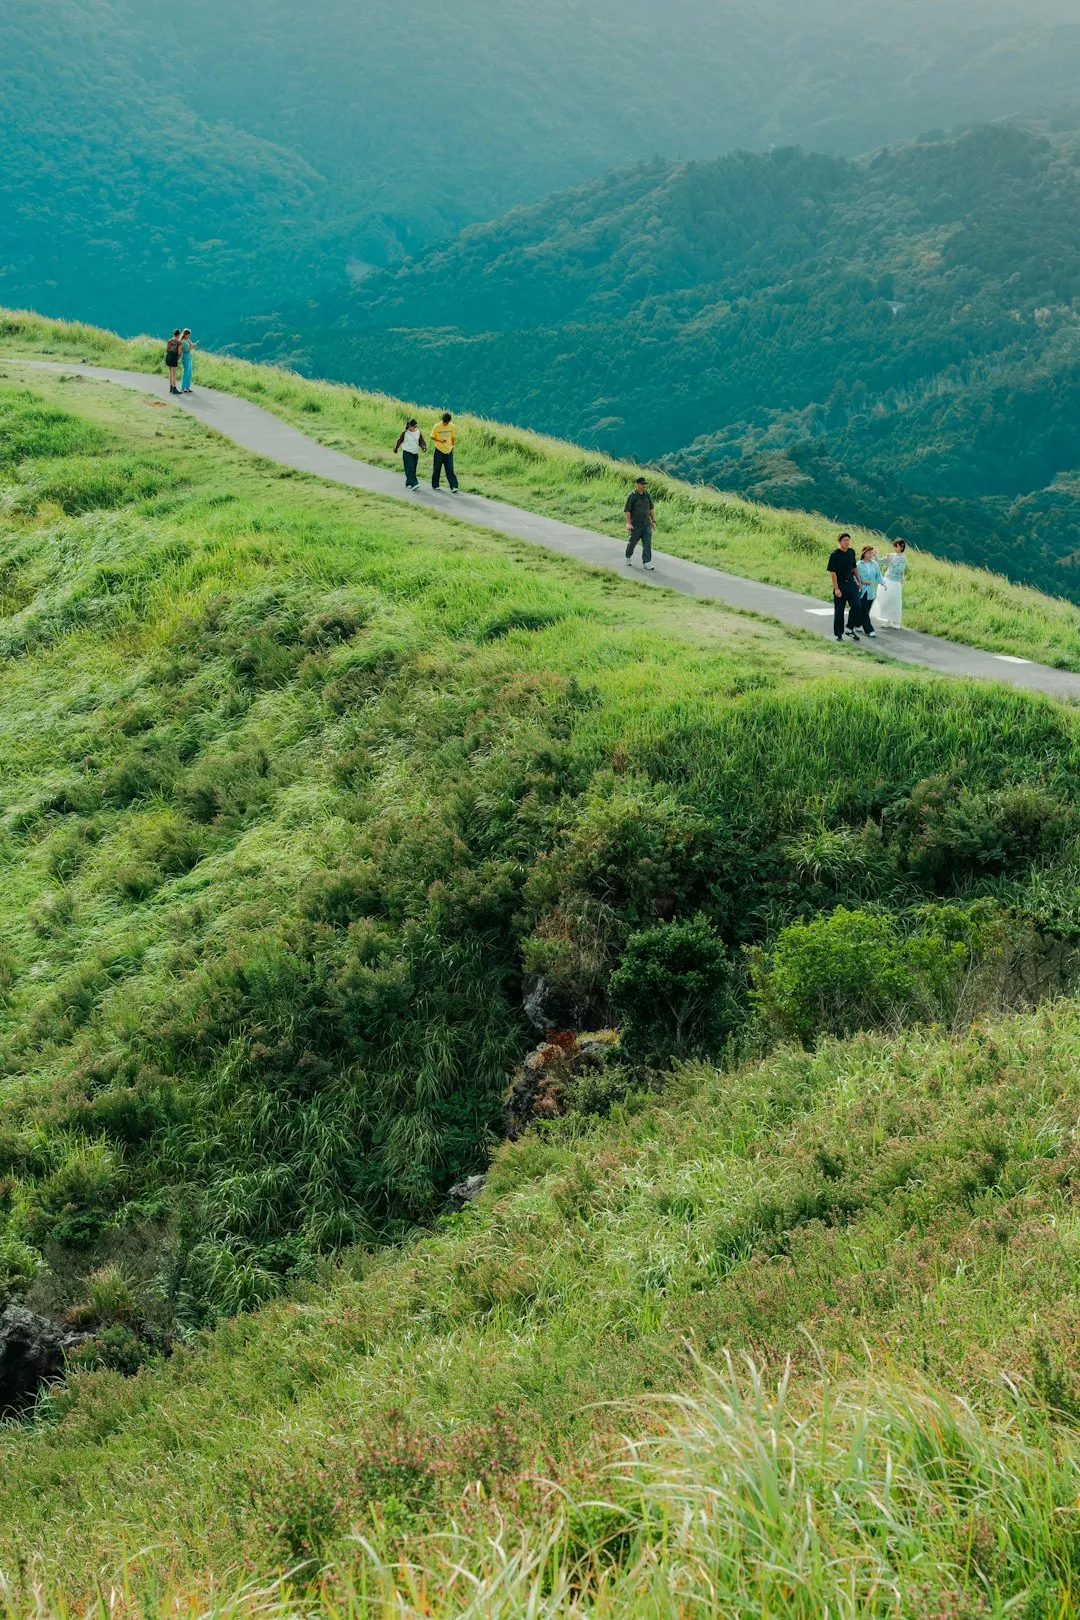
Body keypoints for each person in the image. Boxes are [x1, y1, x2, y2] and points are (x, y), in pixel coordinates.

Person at [826, 532, 862, 642]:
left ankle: (849, 628)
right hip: (840, 584)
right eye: (844, 540)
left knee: (857, 605)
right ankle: (839, 634)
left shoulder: (851, 552)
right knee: (839, 610)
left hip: (851, 583)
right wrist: (836, 588)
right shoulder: (835, 554)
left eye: (848, 540)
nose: (847, 542)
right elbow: (833, 572)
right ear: (840, 542)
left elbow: (854, 567)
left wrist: (859, 581)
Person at [872, 539, 909, 628]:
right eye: (894, 546)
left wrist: (891, 562)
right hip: (887, 580)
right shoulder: (891, 555)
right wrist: (876, 554)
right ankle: (888, 620)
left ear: (901, 547)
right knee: (886, 600)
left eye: (897, 546)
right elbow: (879, 562)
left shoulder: (903, 558)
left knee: (895, 601)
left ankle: (896, 622)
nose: (895, 548)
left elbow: (899, 570)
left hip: (895, 582)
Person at [624, 476, 656, 570]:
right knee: (632, 543)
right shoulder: (632, 496)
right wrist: (628, 523)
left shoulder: (647, 495)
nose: (644, 486)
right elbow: (628, 511)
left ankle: (647, 562)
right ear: (637, 484)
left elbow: (651, 508)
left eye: (645, 484)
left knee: (647, 543)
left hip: (646, 524)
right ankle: (628, 556)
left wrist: (653, 521)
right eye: (642, 484)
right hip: (635, 525)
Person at [854, 546, 884, 638]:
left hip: (871, 591)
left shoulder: (874, 564)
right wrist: (863, 582)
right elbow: (854, 577)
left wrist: (884, 584)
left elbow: (878, 576)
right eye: (869, 553)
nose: (870, 555)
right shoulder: (859, 565)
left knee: (866, 610)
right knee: (864, 610)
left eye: (871, 553)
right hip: (862, 590)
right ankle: (869, 630)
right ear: (864, 553)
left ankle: (857, 624)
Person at [431, 412, 459, 492]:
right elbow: (432, 436)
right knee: (437, 468)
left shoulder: (452, 426)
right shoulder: (437, 426)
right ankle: (435, 485)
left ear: (449, 421)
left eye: (447, 422)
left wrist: (452, 446)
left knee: (450, 469)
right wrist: (440, 440)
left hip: (449, 450)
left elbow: (453, 437)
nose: (445, 423)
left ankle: (454, 486)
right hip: (439, 450)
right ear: (442, 420)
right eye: (444, 422)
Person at [394, 419, 426, 489]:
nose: (412, 428)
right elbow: (399, 441)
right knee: (409, 468)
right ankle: (414, 484)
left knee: (413, 469)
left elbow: (421, 441)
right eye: (411, 426)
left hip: (415, 453)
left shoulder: (418, 431)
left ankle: (408, 482)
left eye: (413, 426)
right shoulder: (404, 433)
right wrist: (395, 448)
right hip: (407, 452)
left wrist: (423, 447)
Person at [179, 329, 197, 394]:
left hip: (189, 358)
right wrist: (192, 347)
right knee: (186, 373)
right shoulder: (183, 341)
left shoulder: (187, 340)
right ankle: (183, 387)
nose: (189, 336)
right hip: (185, 358)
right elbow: (186, 350)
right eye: (188, 335)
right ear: (185, 335)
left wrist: (192, 345)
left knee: (189, 373)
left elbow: (191, 344)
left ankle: (187, 387)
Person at [165, 329, 182, 394]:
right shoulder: (179, 343)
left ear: (173, 334)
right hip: (173, 357)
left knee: (170, 373)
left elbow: (167, 349)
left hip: (168, 357)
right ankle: (174, 389)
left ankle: (171, 388)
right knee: (174, 374)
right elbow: (179, 353)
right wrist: (177, 359)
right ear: (179, 335)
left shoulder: (169, 341)